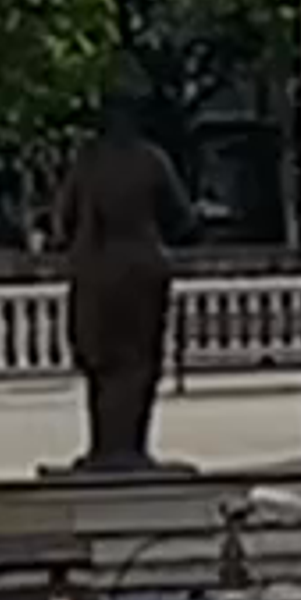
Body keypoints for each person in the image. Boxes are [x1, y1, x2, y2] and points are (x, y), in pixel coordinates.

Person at [57, 100, 191, 469]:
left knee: (100, 364)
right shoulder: (152, 160)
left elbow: (63, 220)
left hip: (95, 272)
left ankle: (103, 447)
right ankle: (132, 446)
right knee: (140, 364)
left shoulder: (86, 162)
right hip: (142, 269)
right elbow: (181, 218)